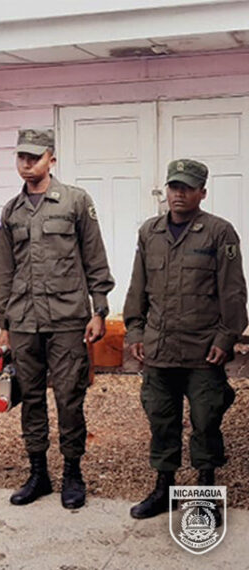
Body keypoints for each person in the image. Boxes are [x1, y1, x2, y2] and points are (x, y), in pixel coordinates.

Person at [0, 128, 114, 509]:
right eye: (21, 157)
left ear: (51, 159)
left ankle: (73, 474)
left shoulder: (75, 201)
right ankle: (38, 473)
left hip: (66, 318)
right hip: (25, 320)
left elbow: (95, 258)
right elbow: (4, 270)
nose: (26, 164)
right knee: (30, 398)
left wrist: (99, 310)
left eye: (34, 157)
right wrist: (5, 323)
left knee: (68, 397)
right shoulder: (11, 211)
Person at [124, 159, 247, 524]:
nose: (178, 194)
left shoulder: (219, 232)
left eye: (187, 188)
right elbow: (138, 288)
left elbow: (234, 292)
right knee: (162, 420)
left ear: (201, 193)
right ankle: (163, 489)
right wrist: (134, 331)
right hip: (160, 348)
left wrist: (226, 337)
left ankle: (205, 493)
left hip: (202, 350)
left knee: (206, 421)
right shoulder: (150, 232)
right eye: (173, 187)